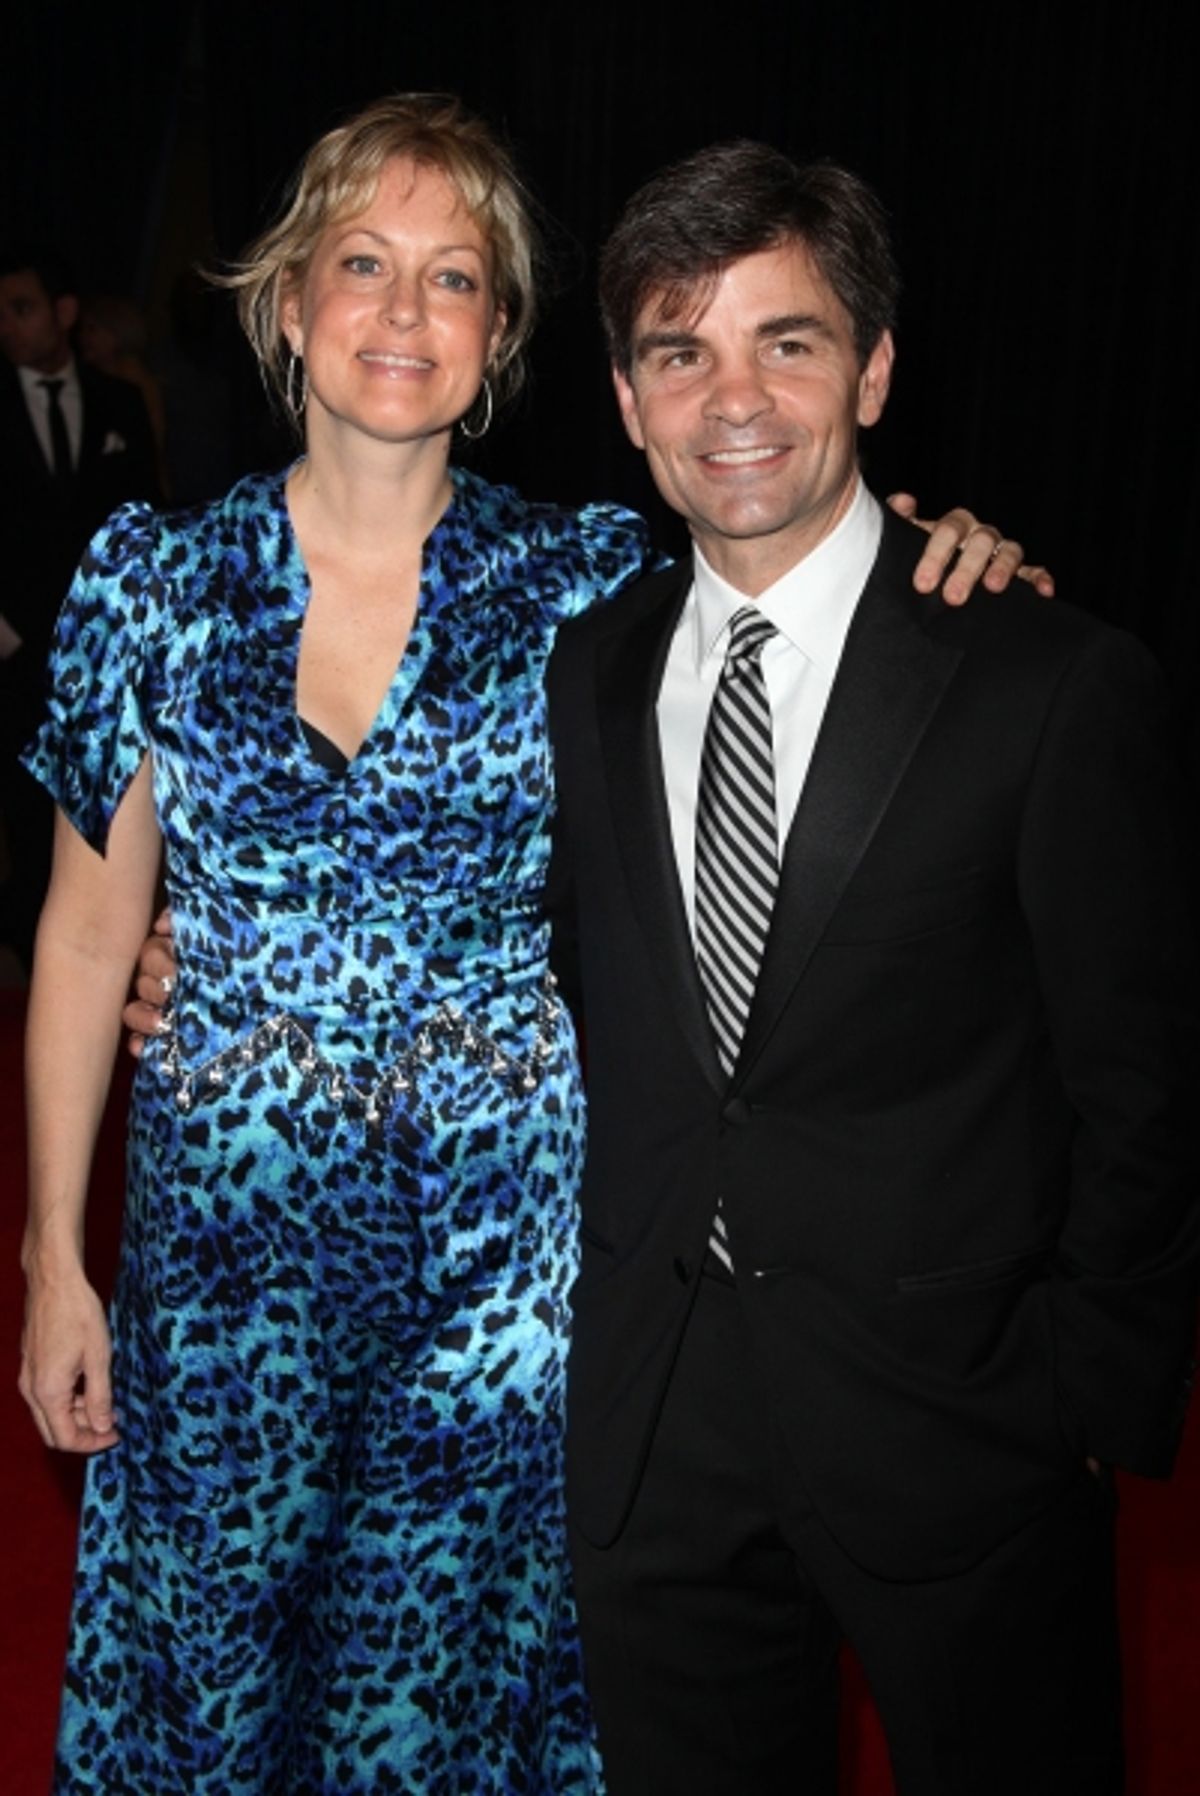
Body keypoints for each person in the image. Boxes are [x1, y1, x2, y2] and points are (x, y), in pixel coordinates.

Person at [27, 97, 1035, 1793]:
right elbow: (78, 940)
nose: (403, 313)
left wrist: (944, 555)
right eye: (363, 265)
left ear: (499, 336)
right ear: (287, 303)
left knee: (437, 1699)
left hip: (505, 1278)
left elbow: (800, 602)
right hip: (220, 1267)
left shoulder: (592, 584)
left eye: (455, 278)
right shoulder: (148, 584)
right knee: (208, 1693)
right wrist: (55, 1255)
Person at [543, 142, 1199, 1796]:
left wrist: (1079, 1402)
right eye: (680, 350)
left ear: (877, 368)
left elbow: (1148, 1077)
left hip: (964, 1440)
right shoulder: (583, 669)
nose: (734, 395)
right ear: (627, 400)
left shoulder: (1048, 678)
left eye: (790, 339)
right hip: (660, 1432)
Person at [0, 247, 160, 970]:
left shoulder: (119, 399)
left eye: (22, 307)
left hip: (107, 655)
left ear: (64, 313)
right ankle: (39, 978)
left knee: (108, 825)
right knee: (27, 820)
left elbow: (148, 520)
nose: (7, 325)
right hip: (14, 649)